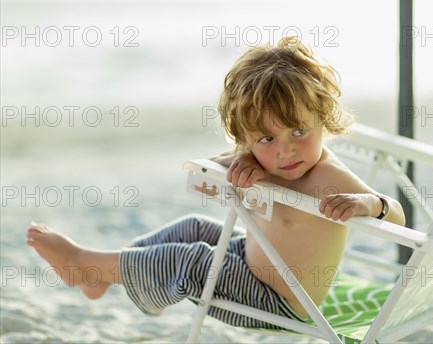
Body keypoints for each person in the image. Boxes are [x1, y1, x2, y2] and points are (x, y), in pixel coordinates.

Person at [26, 37, 405, 329]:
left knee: (190, 261)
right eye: (266, 139)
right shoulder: (260, 159)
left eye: (299, 131)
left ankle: (86, 266)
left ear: (323, 118)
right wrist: (238, 161)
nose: (286, 152)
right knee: (193, 227)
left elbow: (398, 219)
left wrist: (370, 205)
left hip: (281, 301)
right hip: (252, 262)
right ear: (248, 138)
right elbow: (210, 168)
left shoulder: (328, 177)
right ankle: (108, 276)